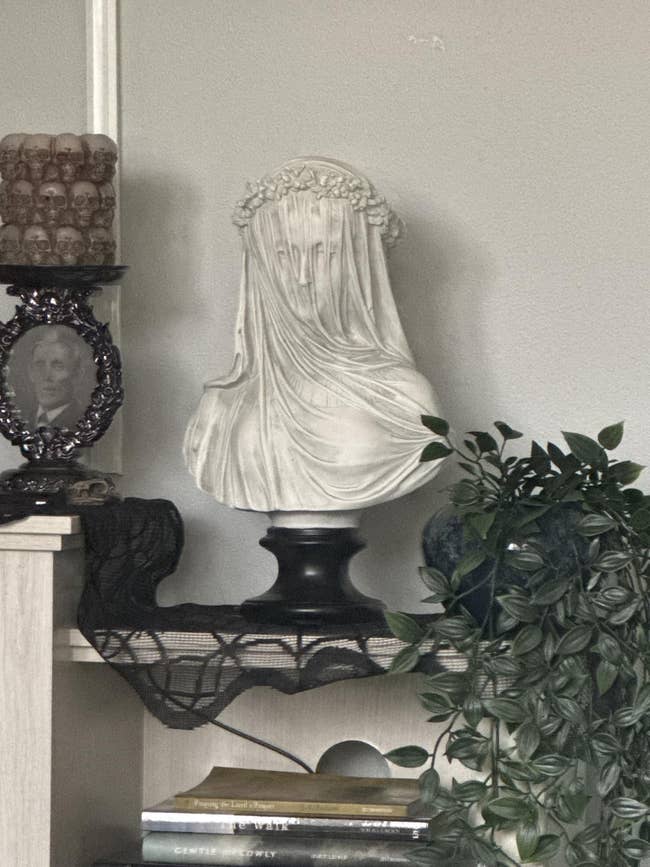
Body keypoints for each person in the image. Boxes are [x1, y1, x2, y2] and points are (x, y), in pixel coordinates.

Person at [184, 158, 446, 519]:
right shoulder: (220, 409)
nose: (303, 276)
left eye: (324, 252)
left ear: (361, 264)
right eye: (284, 254)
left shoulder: (406, 399)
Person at [27, 328, 85, 430]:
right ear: (31, 373)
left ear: (77, 375)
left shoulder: (84, 422)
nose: (46, 376)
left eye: (58, 366)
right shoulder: (24, 420)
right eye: (39, 365)